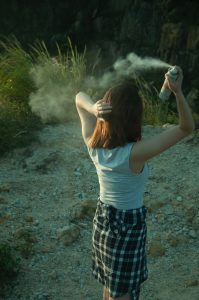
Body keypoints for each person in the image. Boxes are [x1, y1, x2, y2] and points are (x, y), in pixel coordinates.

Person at [75, 66, 195, 300]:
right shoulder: (135, 153)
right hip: (127, 226)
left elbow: (79, 97)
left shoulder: (93, 144)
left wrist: (92, 107)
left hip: (102, 221)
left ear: (105, 113)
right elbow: (186, 128)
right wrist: (178, 93)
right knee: (124, 292)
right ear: (134, 118)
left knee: (110, 285)